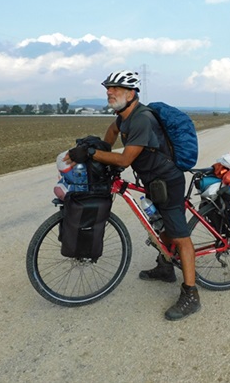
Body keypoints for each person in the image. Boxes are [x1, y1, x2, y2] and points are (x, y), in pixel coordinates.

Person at [63, 70, 201, 321]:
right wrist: (103, 147)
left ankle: (191, 295)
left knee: (180, 236)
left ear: (131, 93)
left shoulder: (141, 119)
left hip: (167, 182)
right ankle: (166, 268)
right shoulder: (124, 117)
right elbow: (112, 131)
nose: (109, 92)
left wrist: (93, 154)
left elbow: (125, 159)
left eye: (115, 88)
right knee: (158, 225)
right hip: (151, 180)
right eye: (108, 88)